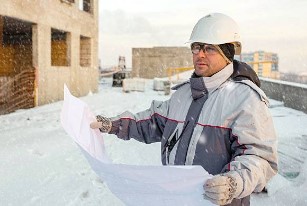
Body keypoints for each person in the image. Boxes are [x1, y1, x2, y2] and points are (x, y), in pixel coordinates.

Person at [90, 13, 277, 206]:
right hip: (176, 199)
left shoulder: (245, 99)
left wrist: (233, 183)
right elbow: (153, 122)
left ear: (227, 53)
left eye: (209, 48)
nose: (199, 54)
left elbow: (260, 157)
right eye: (196, 47)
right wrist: (112, 124)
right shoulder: (184, 93)